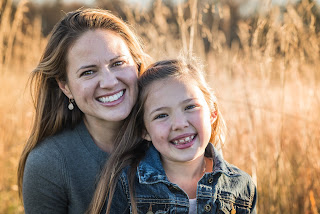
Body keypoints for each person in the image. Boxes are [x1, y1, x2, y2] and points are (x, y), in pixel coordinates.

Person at [17, 8, 149, 214]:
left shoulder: (172, 135)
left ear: (137, 65)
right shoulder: (49, 164)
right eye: (88, 72)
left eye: (118, 63)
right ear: (65, 86)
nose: (109, 82)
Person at [88, 58, 257, 214]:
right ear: (144, 130)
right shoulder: (126, 184)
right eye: (161, 115)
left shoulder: (241, 186)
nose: (179, 124)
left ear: (212, 113)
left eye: (190, 107)